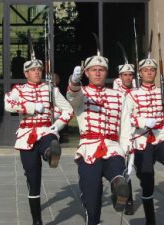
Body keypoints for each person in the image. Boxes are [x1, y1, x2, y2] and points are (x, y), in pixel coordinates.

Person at [4, 55, 73, 225]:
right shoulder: (18, 90)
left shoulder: (51, 89)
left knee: (49, 142)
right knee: (33, 179)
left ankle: (50, 153)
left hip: (45, 130)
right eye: (33, 70)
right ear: (26, 73)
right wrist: (32, 107)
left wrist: (57, 126)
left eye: (39, 70)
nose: (37, 72)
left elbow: (68, 110)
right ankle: (37, 220)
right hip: (26, 134)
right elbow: (8, 105)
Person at [66, 52, 133, 225]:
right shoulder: (82, 93)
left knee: (118, 176)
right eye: (93, 70)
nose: (97, 73)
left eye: (101, 70)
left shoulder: (119, 96)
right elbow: (72, 97)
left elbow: (125, 126)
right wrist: (74, 81)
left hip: (113, 148)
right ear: (86, 73)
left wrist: (126, 152)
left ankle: (120, 190)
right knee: (92, 199)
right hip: (89, 149)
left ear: (106, 73)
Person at [126, 57, 164, 225]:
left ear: (156, 73)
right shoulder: (132, 94)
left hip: (159, 134)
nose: (149, 72)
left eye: (152, 70)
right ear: (141, 74)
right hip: (141, 139)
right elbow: (125, 117)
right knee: (147, 179)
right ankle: (150, 220)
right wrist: (142, 122)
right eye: (146, 70)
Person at [113, 62, 136, 215]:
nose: (128, 77)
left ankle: (128, 200)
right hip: (117, 134)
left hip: (134, 133)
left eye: (130, 75)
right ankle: (121, 197)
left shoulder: (137, 92)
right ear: (120, 77)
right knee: (118, 166)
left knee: (129, 169)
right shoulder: (115, 92)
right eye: (125, 75)